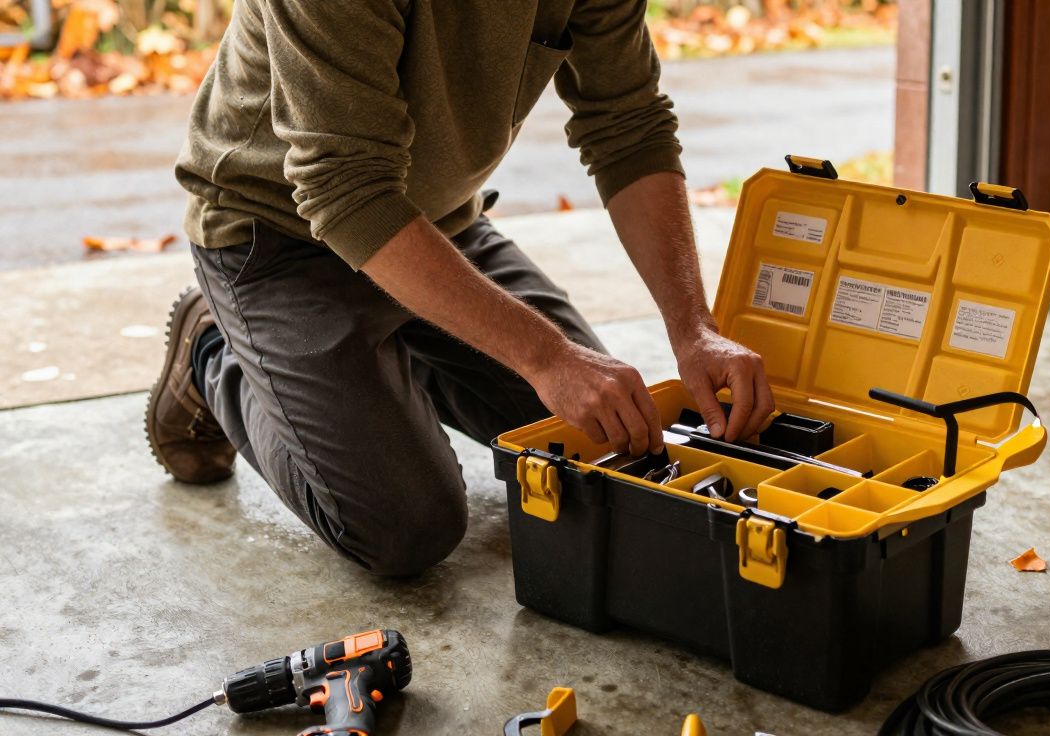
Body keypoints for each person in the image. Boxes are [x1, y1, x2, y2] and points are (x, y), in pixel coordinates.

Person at [144, 0, 774, 577]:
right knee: (404, 528)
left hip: (435, 229)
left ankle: (387, 358)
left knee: (603, 455)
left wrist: (693, 326)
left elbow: (629, 125)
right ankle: (212, 350)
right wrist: (545, 356)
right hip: (278, 238)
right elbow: (345, 189)